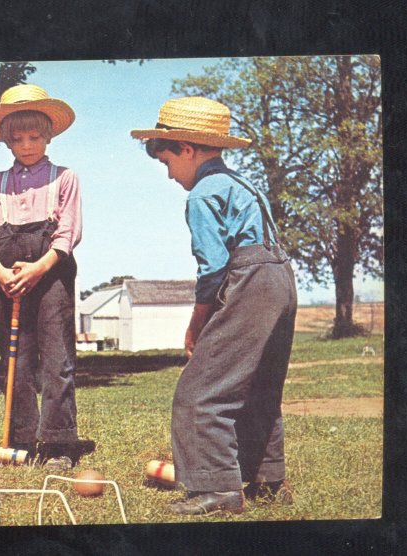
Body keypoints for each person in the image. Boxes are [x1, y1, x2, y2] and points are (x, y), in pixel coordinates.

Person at [131, 96, 297, 515]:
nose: (169, 175)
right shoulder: (244, 184)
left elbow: (214, 268)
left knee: (200, 391)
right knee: (258, 386)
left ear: (186, 149)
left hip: (252, 282)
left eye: (167, 162)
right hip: (281, 277)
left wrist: (196, 325)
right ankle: (268, 481)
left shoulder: (203, 194)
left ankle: (218, 490)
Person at [0, 84, 83, 469]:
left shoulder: (64, 178)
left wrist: (37, 268)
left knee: (56, 359)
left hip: (51, 276)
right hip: (8, 281)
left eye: (34, 137)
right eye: (17, 138)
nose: (26, 145)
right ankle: (21, 437)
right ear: (6, 141)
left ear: (48, 136)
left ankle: (58, 443)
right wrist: (2, 273)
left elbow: (68, 234)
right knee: (15, 360)